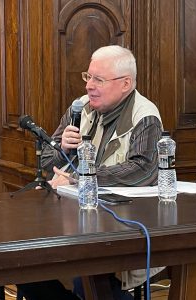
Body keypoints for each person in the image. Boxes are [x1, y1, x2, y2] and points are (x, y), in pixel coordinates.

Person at [18, 45, 164, 300]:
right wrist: (62, 146)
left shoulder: (145, 116)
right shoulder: (81, 108)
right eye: (88, 76)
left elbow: (143, 171)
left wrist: (80, 178)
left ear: (125, 84)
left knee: (86, 276)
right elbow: (47, 163)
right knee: (24, 266)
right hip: (73, 218)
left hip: (122, 225)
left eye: (98, 79)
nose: (88, 86)